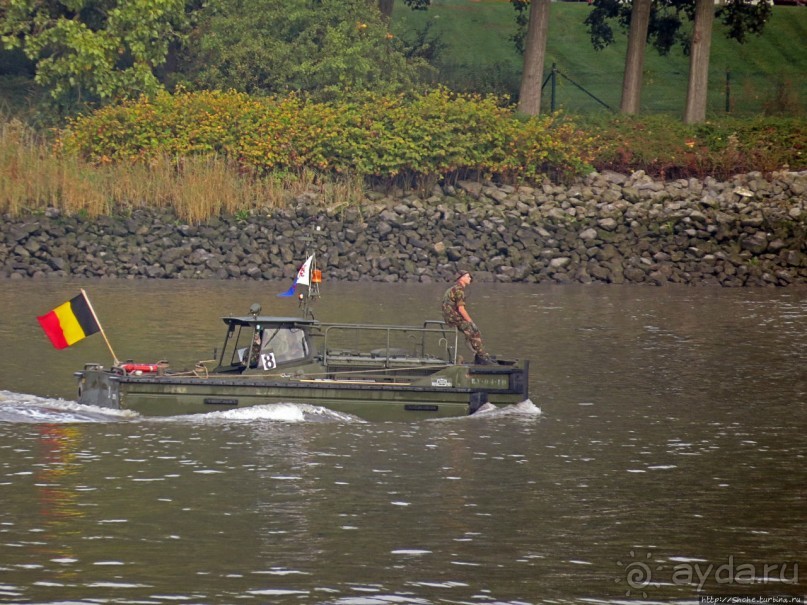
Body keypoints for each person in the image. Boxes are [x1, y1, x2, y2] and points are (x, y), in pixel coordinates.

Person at [441, 271, 495, 365]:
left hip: (449, 317)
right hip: (454, 317)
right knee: (474, 331)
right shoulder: (459, 290)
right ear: (461, 278)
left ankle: (478, 353)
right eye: (467, 276)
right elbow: (461, 309)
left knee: (470, 331)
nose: (470, 278)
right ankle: (482, 356)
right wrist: (471, 322)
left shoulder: (452, 289)